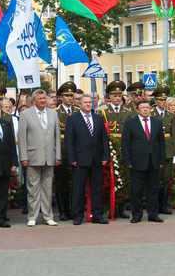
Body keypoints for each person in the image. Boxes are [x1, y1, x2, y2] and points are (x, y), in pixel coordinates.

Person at [18, 89, 61, 227]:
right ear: (34, 101)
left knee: (48, 188)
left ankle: (48, 216)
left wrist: (58, 155)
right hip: (32, 156)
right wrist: (24, 156)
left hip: (50, 156)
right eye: (40, 98)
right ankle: (33, 216)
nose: (43, 100)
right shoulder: (25, 114)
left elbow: (57, 137)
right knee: (33, 188)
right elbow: (22, 137)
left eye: (44, 98)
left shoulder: (53, 113)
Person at [65, 94, 109, 225]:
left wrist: (105, 156)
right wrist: (72, 158)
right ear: (79, 104)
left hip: (96, 159)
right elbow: (69, 140)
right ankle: (78, 216)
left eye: (90, 102)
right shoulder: (73, 119)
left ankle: (97, 215)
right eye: (85, 102)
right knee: (78, 189)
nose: (89, 104)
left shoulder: (98, 118)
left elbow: (104, 139)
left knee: (97, 188)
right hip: (80, 159)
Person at [121, 99, 165, 223]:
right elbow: (125, 143)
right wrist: (127, 160)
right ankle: (137, 214)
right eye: (143, 108)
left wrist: (161, 160)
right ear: (138, 110)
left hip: (154, 161)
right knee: (137, 190)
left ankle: (153, 214)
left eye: (147, 107)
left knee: (153, 189)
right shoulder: (130, 123)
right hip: (136, 161)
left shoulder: (157, 122)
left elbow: (161, 143)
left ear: (150, 109)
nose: (145, 109)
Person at [151, 86, 175, 213]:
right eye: (160, 100)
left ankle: (163, 205)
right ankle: (154, 205)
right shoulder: (151, 114)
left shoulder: (170, 115)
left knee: (166, 179)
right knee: (155, 178)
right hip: (155, 148)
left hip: (168, 149)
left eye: (164, 100)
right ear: (156, 101)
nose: (163, 102)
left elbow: (174, 135)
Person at [54, 81, 78, 220]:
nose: (70, 98)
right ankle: (63, 210)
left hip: (76, 150)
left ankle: (74, 209)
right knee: (61, 182)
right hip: (62, 151)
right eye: (67, 95)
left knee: (74, 182)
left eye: (71, 95)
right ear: (61, 97)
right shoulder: (55, 113)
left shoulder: (78, 110)